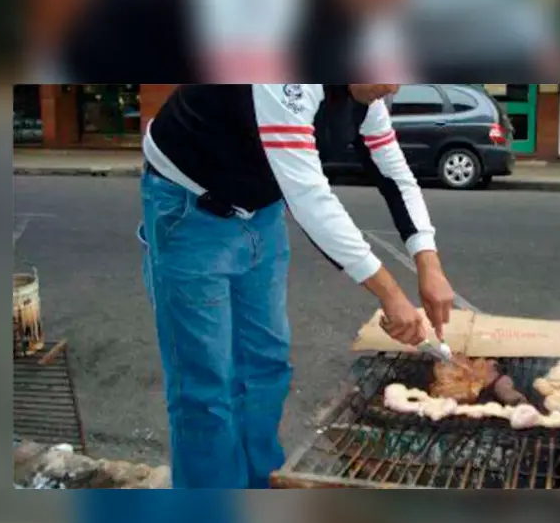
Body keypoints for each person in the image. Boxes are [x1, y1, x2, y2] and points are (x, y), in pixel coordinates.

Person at [138, 84, 455, 489]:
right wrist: (391, 295)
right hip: (189, 208)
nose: (393, 86)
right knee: (206, 388)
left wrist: (429, 263)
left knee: (266, 365)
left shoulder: (369, 96)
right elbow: (311, 199)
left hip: (262, 209)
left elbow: (393, 171)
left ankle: (259, 490)